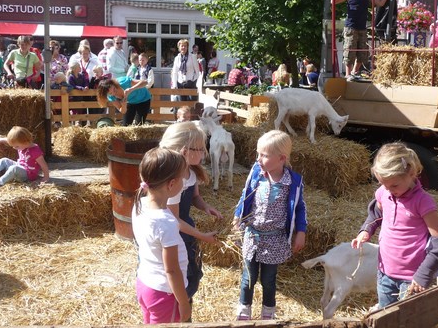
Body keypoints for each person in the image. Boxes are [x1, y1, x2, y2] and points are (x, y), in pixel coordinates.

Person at [351, 142, 438, 309]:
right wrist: (366, 230)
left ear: (412, 174)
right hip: (385, 274)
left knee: (409, 320)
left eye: (394, 185)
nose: (388, 190)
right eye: (383, 184)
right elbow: (376, 214)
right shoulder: (384, 193)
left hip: (412, 279)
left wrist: (423, 275)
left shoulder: (423, 202)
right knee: (386, 316)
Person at [233, 130, 307, 320]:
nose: (258, 159)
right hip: (252, 235)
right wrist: (237, 216)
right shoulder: (257, 173)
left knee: (268, 280)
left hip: (274, 239)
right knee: (248, 277)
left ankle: (268, 312)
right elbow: (245, 195)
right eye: (258, 153)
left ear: (282, 158)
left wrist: (301, 231)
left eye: (264, 155)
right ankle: (244, 310)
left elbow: (300, 208)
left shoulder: (293, 182)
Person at [160, 122, 222, 306]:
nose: (204, 153)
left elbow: (195, 197)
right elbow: (174, 221)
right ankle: (180, 307)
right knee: (182, 271)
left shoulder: (190, 171)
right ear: (185, 151)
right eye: (201, 149)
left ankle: (186, 304)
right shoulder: (173, 181)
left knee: (192, 270)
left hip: (186, 228)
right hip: (176, 233)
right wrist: (202, 236)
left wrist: (205, 207)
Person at [131, 147, 191, 324]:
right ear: (171, 184)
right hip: (164, 293)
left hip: (144, 284)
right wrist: (184, 302)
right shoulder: (167, 223)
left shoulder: (139, 204)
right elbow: (171, 270)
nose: (184, 180)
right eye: (182, 177)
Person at [333, 0, 394, 79]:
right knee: (349, 50)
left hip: (362, 27)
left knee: (363, 51)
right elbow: (334, 2)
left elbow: (380, 3)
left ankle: (354, 72)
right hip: (350, 27)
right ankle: (348, 74)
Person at [0, 126, 50, 190]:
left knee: (13, 168)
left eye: (16, 146)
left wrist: (46, 177)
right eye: (13, 146)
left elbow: (43, 165)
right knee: (4, 160)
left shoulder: (35, 151)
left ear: (26, 142)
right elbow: (9, 141)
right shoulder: (22, 144)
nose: (14, 148)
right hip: (20, 166)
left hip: (28, 175)